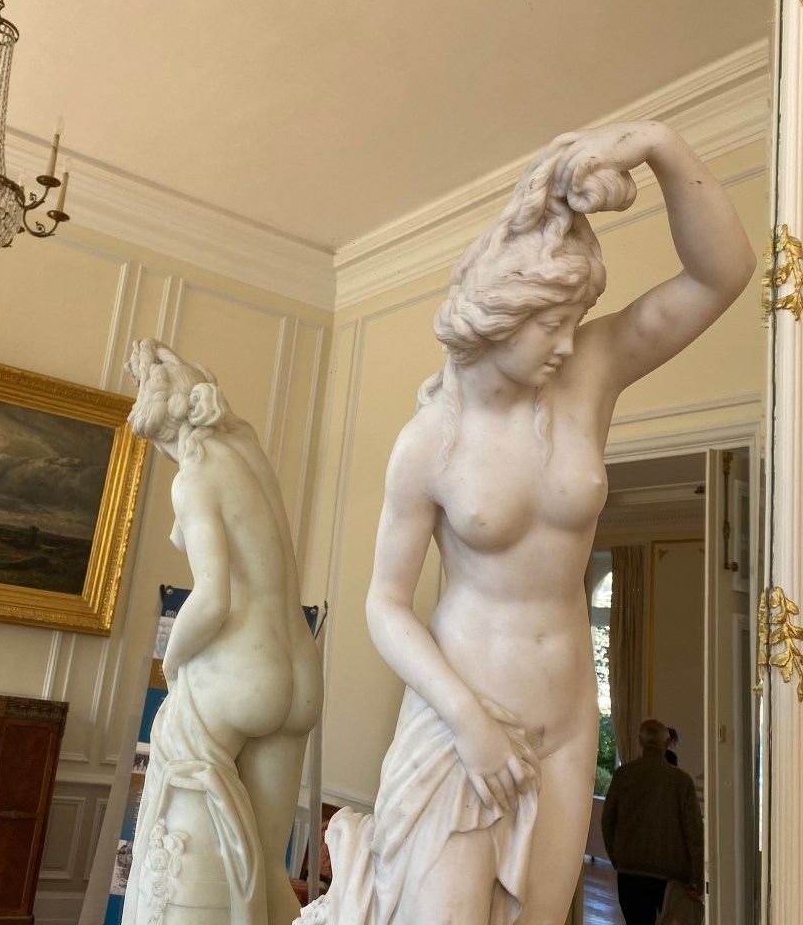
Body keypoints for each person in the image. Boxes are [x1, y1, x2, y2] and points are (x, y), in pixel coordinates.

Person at [297, 121, 754, 925]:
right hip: (463, 720)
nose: (569, 343)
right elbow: (385, 603)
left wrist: (658, 142)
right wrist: (467, 719)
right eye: (553, 325)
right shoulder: (428, 443)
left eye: (576, 321)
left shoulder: (590, 375)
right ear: (501, 318)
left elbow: (723, 274)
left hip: (569, 722)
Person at [123, 339, 323, 925]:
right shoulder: (246, 447)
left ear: (164, 431)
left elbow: (212, 598)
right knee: (269, 873)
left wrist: (173, 661)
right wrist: (163, 366)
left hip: (236, 671)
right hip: (299, 672)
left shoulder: (193, 479)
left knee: (180, 862)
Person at [601, 719, 704, 925]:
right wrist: (697, 877)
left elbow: (608, 820)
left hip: (630, 870)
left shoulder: (623, 775)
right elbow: (693, 832)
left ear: (640, 741)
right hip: (671, 877)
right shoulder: (681, 781)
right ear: (666, 743)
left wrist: (617, 858)